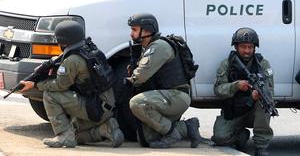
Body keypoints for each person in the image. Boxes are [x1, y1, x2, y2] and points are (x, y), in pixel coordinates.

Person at [19, 20, 124, 148]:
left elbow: (60, 85)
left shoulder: (72, 60)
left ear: (63, 41)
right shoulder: (90, 49)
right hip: (105, 105)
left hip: (95, 108)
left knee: (49, 94)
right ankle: (106, 129)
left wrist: (36, 85)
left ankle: (63, 136)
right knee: (75, 134)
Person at [125, 13, 201, 148]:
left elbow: (140, 77)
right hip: (168, 96)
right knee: (147, 139)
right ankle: (187, 127)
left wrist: (130, 78)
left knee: (136, 103)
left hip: (176, 96)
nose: (131, 34)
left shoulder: (158, 47)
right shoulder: (148, 47)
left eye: (134, 30)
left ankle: (172, 133)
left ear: (147, 30)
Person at [211, 27, 274, 156]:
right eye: (243, 47)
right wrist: (235, 86)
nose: (247, 51)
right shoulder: (227, 64)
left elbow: (270, 90)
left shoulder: (263, 64)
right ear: (236, 47)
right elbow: (218, 90)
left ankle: (261, 147)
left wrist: (258, 95)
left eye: (250, 47)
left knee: (264, 102)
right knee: (220, 138)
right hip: (234, 112)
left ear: (254, 48)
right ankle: (241, 136)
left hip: (254, 113)